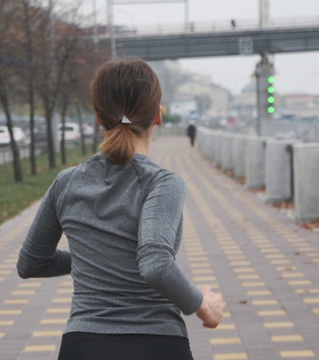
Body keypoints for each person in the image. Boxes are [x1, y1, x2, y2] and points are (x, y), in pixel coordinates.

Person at [17, 57, 225, 360]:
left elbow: (31, 264)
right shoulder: (162, 184)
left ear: (99, 118)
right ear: (158, 116)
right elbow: (155, 263)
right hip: (156, 344)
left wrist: (97, 259)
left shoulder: (67, 183)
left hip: (82, 345)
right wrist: (203, 305)